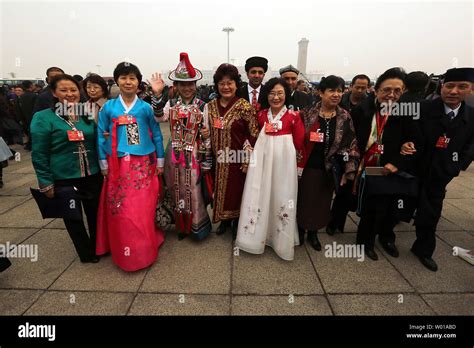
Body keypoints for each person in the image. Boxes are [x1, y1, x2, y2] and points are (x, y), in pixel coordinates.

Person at [402, 67, 474, 271]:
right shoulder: (422, 108)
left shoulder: (471, 115)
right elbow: (403, 131)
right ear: (442, 87)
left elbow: (471, 145)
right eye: (449, 86)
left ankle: (423, 250)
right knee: (399, 205)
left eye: (462, 87)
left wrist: (457, 164)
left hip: (441, 172)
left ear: (471, 90)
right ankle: (386, 238)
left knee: (431, 212)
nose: (454, 91)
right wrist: (404, 144)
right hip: (415, 168)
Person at [96, 62, 166, 272]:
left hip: (142, 165)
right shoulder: (108, 107)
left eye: (132, 78)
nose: (128, 82)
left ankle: (143, 251)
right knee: (121, 211)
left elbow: (158, 134)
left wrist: (160, 161)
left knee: (141, 210)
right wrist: (103, 164)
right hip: (116, 165)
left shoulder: (145, 108)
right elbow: (100, 135)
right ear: (117, 81)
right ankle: (124, 252)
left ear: (138, 82)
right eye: (124, 77)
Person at [30, 74, 102, 263]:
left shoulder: (85, 114)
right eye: (64, 90)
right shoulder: (43, 118)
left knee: (95, 214)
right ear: (54, 93)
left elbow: (96, 142)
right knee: (73, 217)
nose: (70, 94)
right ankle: (86, 253)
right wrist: (45, 181)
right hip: (64, 176)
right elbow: (39, 153)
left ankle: (97, 247)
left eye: (73, 90)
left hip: (92, 174)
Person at [353, 67, 420, 261]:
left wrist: (398, 161)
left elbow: (416, 141)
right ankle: (365, 242)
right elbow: (352, 138)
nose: (391, 95)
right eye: (386, 90)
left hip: (393, 168)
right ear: (376, 90)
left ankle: (387, 238)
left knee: (393, 208)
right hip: (370, 167)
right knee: (371, 207)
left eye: (397, 91)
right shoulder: (362, 110)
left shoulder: (407, 112)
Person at [236, 78, 305, 260]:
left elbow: (299, 143)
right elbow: (251, 136)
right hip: (263, 160)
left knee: (282, 194)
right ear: (267, 95)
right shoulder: (260, 114)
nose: (276, 97)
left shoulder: (294, 116)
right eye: (272, 93)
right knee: (260, 193)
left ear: (286, 95)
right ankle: (258, 236)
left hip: (284, 163)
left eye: (280, 93)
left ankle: (280, 240)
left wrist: (299, 166)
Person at [149, 53, 213, 241]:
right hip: (173, 154)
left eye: (190, 84)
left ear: (195, 85)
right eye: (182, 84)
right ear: (176, 86)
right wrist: (158, 94)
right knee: (174, 187)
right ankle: (180, 225)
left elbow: (206, 133)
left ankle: (196, 227)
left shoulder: (203, 106)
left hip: (193, 154)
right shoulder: (171, 104)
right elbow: (159, 116)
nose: (186, 88)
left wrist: (206, 159)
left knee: (193, 190)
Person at [297, 75, 360, 250]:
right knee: (304, 200)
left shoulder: (344, 117)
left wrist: (348, 171)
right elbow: (296, 140)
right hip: (308, 167)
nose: (336, 94)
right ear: (320, 92)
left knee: (322, 203)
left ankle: (314, 233)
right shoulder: (306, 113)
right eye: (331, 90)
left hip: (329, 169)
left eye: (340, 91)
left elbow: (350, 145)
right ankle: (300, 230)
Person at [205, 63, 259, 238]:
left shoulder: (244, 106)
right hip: (217, 159)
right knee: (219, 190)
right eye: (222, 83)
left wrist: (247, 158)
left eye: (230, 83)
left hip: (237, 159)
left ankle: (237, 222)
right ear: (217, 85)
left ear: (237, 84)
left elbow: (253, 133)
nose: (226, 87)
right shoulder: (211, 106)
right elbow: (205, 130)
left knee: (237, 192)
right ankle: (224, 221)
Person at [18, 81, 37, 150]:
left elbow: (18, 108)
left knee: (29, 131)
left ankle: (29, 145)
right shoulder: (34, 96)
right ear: (31, 86)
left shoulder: (21, 96)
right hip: (33, 116)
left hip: (25, 117)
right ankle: (30, 145)